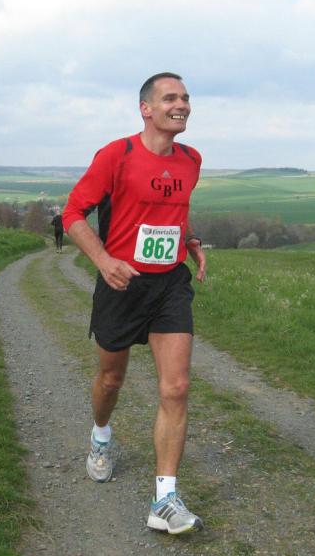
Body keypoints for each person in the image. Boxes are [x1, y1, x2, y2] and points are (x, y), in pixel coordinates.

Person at [62, 72, 207, 534]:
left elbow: (172, 212)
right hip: (122, 284)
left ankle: (164, 499)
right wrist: (104, 261)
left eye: (185, 98)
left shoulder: (191, 160)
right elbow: (72, 214)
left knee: (176, 387)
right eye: (170, 98)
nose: (181, 105)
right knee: (111, 378)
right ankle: (101, 435)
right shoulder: (116, 155)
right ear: (146, 109)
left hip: (169, 285)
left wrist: (189, 240)